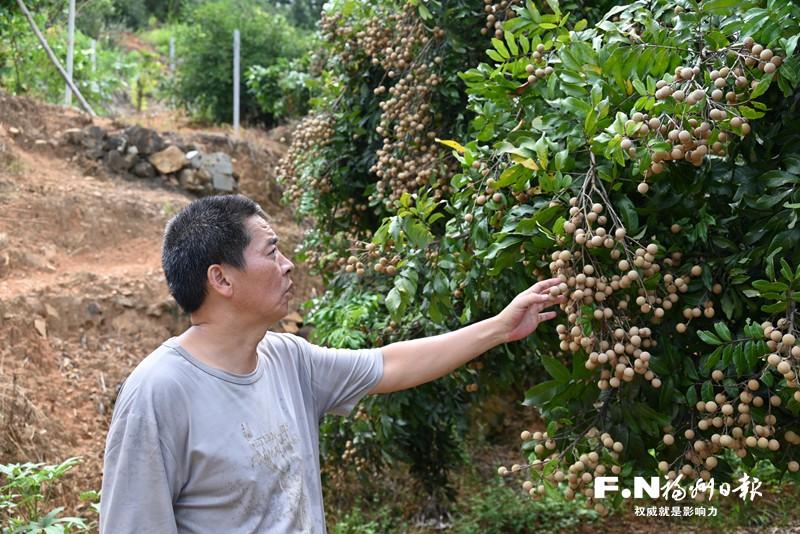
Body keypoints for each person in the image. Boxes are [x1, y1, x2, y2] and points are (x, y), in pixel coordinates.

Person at [99, 194, 564, 533]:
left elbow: (390, 365)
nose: (288, 264)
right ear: (221, 278)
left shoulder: (286, 359)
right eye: (271, 251)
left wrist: (501, 327)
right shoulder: (159, 393)